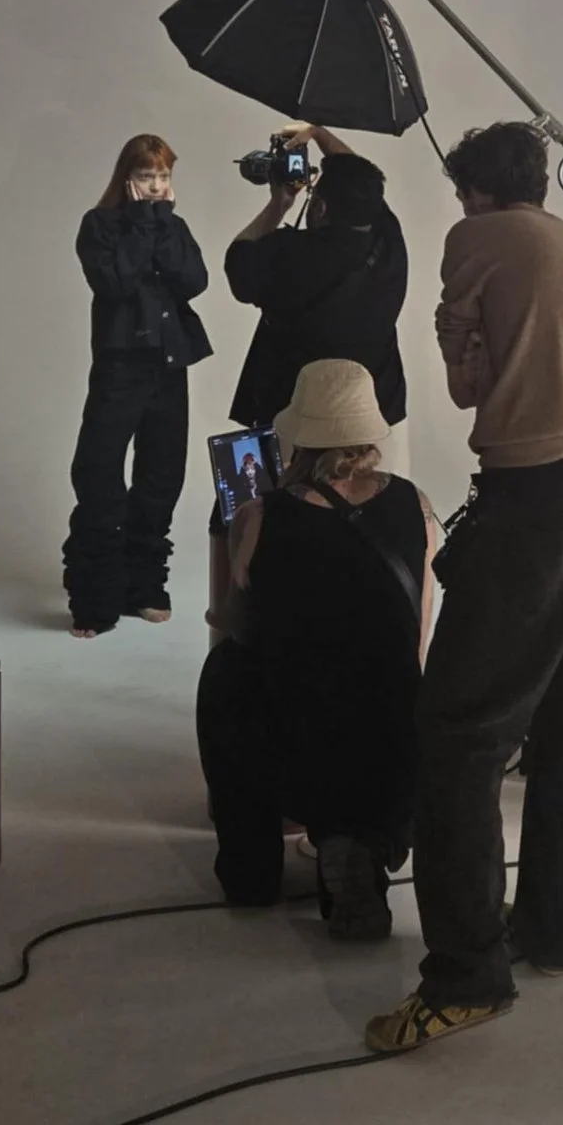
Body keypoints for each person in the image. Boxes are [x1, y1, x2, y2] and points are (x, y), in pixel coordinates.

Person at [364, 122, 563, 1054]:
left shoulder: (473, 240)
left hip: (537, 502)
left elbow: (470, 386)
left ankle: (467, 974)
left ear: (475, 191)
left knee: (460, 732)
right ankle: (553, 931)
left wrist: (456, 333)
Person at [194, 360, 438, 940]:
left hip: (293, 732)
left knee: (225, 673)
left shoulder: (259, 515)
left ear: (297, 435)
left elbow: (234, 620)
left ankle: (252, 873)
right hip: (387, 736)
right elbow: (418, 632)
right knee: (383, 679)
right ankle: (355, 846)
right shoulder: (417, 505)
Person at [214, 125, 409, 629]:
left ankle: (235, 624)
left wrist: (279, 203)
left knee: (240, 514)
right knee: (356, 518)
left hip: (277, 407)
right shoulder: (388, 243)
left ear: (320, 208)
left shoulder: (287, 253)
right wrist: (320, 132)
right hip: (368, 413)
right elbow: (362, 180)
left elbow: (237, 261)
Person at [62, 133, 210, 634]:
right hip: (120, 366)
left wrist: (161, 223)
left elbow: (194, 281)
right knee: (98, 472)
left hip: (169, 366)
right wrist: (145, 223)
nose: (156, 185)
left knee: (161, 476)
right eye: (147, 176)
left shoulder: (174, 225)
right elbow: (115, 283)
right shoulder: (99, 225)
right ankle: (95, 599)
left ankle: (144, 586)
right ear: (126, 177)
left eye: (164, 176)